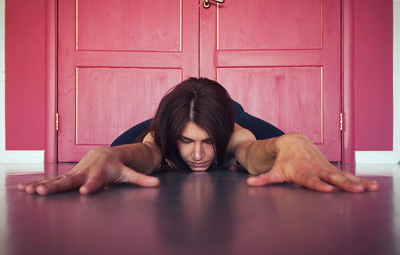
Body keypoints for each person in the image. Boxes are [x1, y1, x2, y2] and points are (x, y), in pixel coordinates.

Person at [18, 77, 378, 195]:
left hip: (232, 115)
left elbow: (254, 152)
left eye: (208, 142)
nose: (200, 154)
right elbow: (147, 154)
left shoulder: (240, 131)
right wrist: (107, 155)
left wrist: (294, 143)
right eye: (187, 142)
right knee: (116, 148)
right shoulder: (158, 134)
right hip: (161, 124)